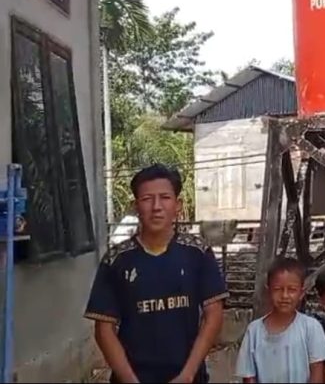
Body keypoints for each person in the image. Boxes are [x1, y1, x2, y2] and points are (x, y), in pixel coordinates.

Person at [84, 164, 228, 383]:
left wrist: (188, 375)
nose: (156, 207)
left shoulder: (198, 252)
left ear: (177, 205)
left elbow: (214, 315)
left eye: (165, 198)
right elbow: (104, 329)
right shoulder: (116, 260)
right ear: (136, 206)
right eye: (147, 199)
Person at [235, 257, 325, 383]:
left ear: (301, 293)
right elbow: (249, 376)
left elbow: (317, 374)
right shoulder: (254, 331)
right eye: (278, 289)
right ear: (268, 291)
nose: (284, 296)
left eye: (291, 290)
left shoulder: (311, 328)